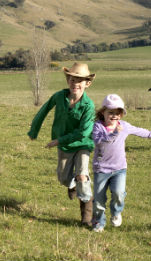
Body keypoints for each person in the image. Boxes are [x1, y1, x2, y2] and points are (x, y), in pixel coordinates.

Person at [28, 63, 96, 227]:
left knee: (82, 175)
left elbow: (83, 133)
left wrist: (59, 140)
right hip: (65, 147)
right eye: (73, 79)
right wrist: (34, 130)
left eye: (80, 81)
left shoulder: (89, 106)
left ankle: (87, 217)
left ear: (87, 83)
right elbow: (44, 110)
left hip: (82, 144)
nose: (76, 84)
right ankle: (71, 185)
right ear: (68, 80)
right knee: (64, 178)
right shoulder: (59, 97)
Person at [91, 94, 151, 232]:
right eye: (110, 112)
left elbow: (140, 131)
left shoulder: (124, 126)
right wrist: (114, 134)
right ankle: (99, 223)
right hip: (101, 169)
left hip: (119, 169)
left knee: (118, 193)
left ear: (121, 115)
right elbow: (99, 142)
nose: (114, 116)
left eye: (117, 113)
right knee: (99, 200)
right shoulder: (98, 127)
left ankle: (116, 212)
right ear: (103, 112)